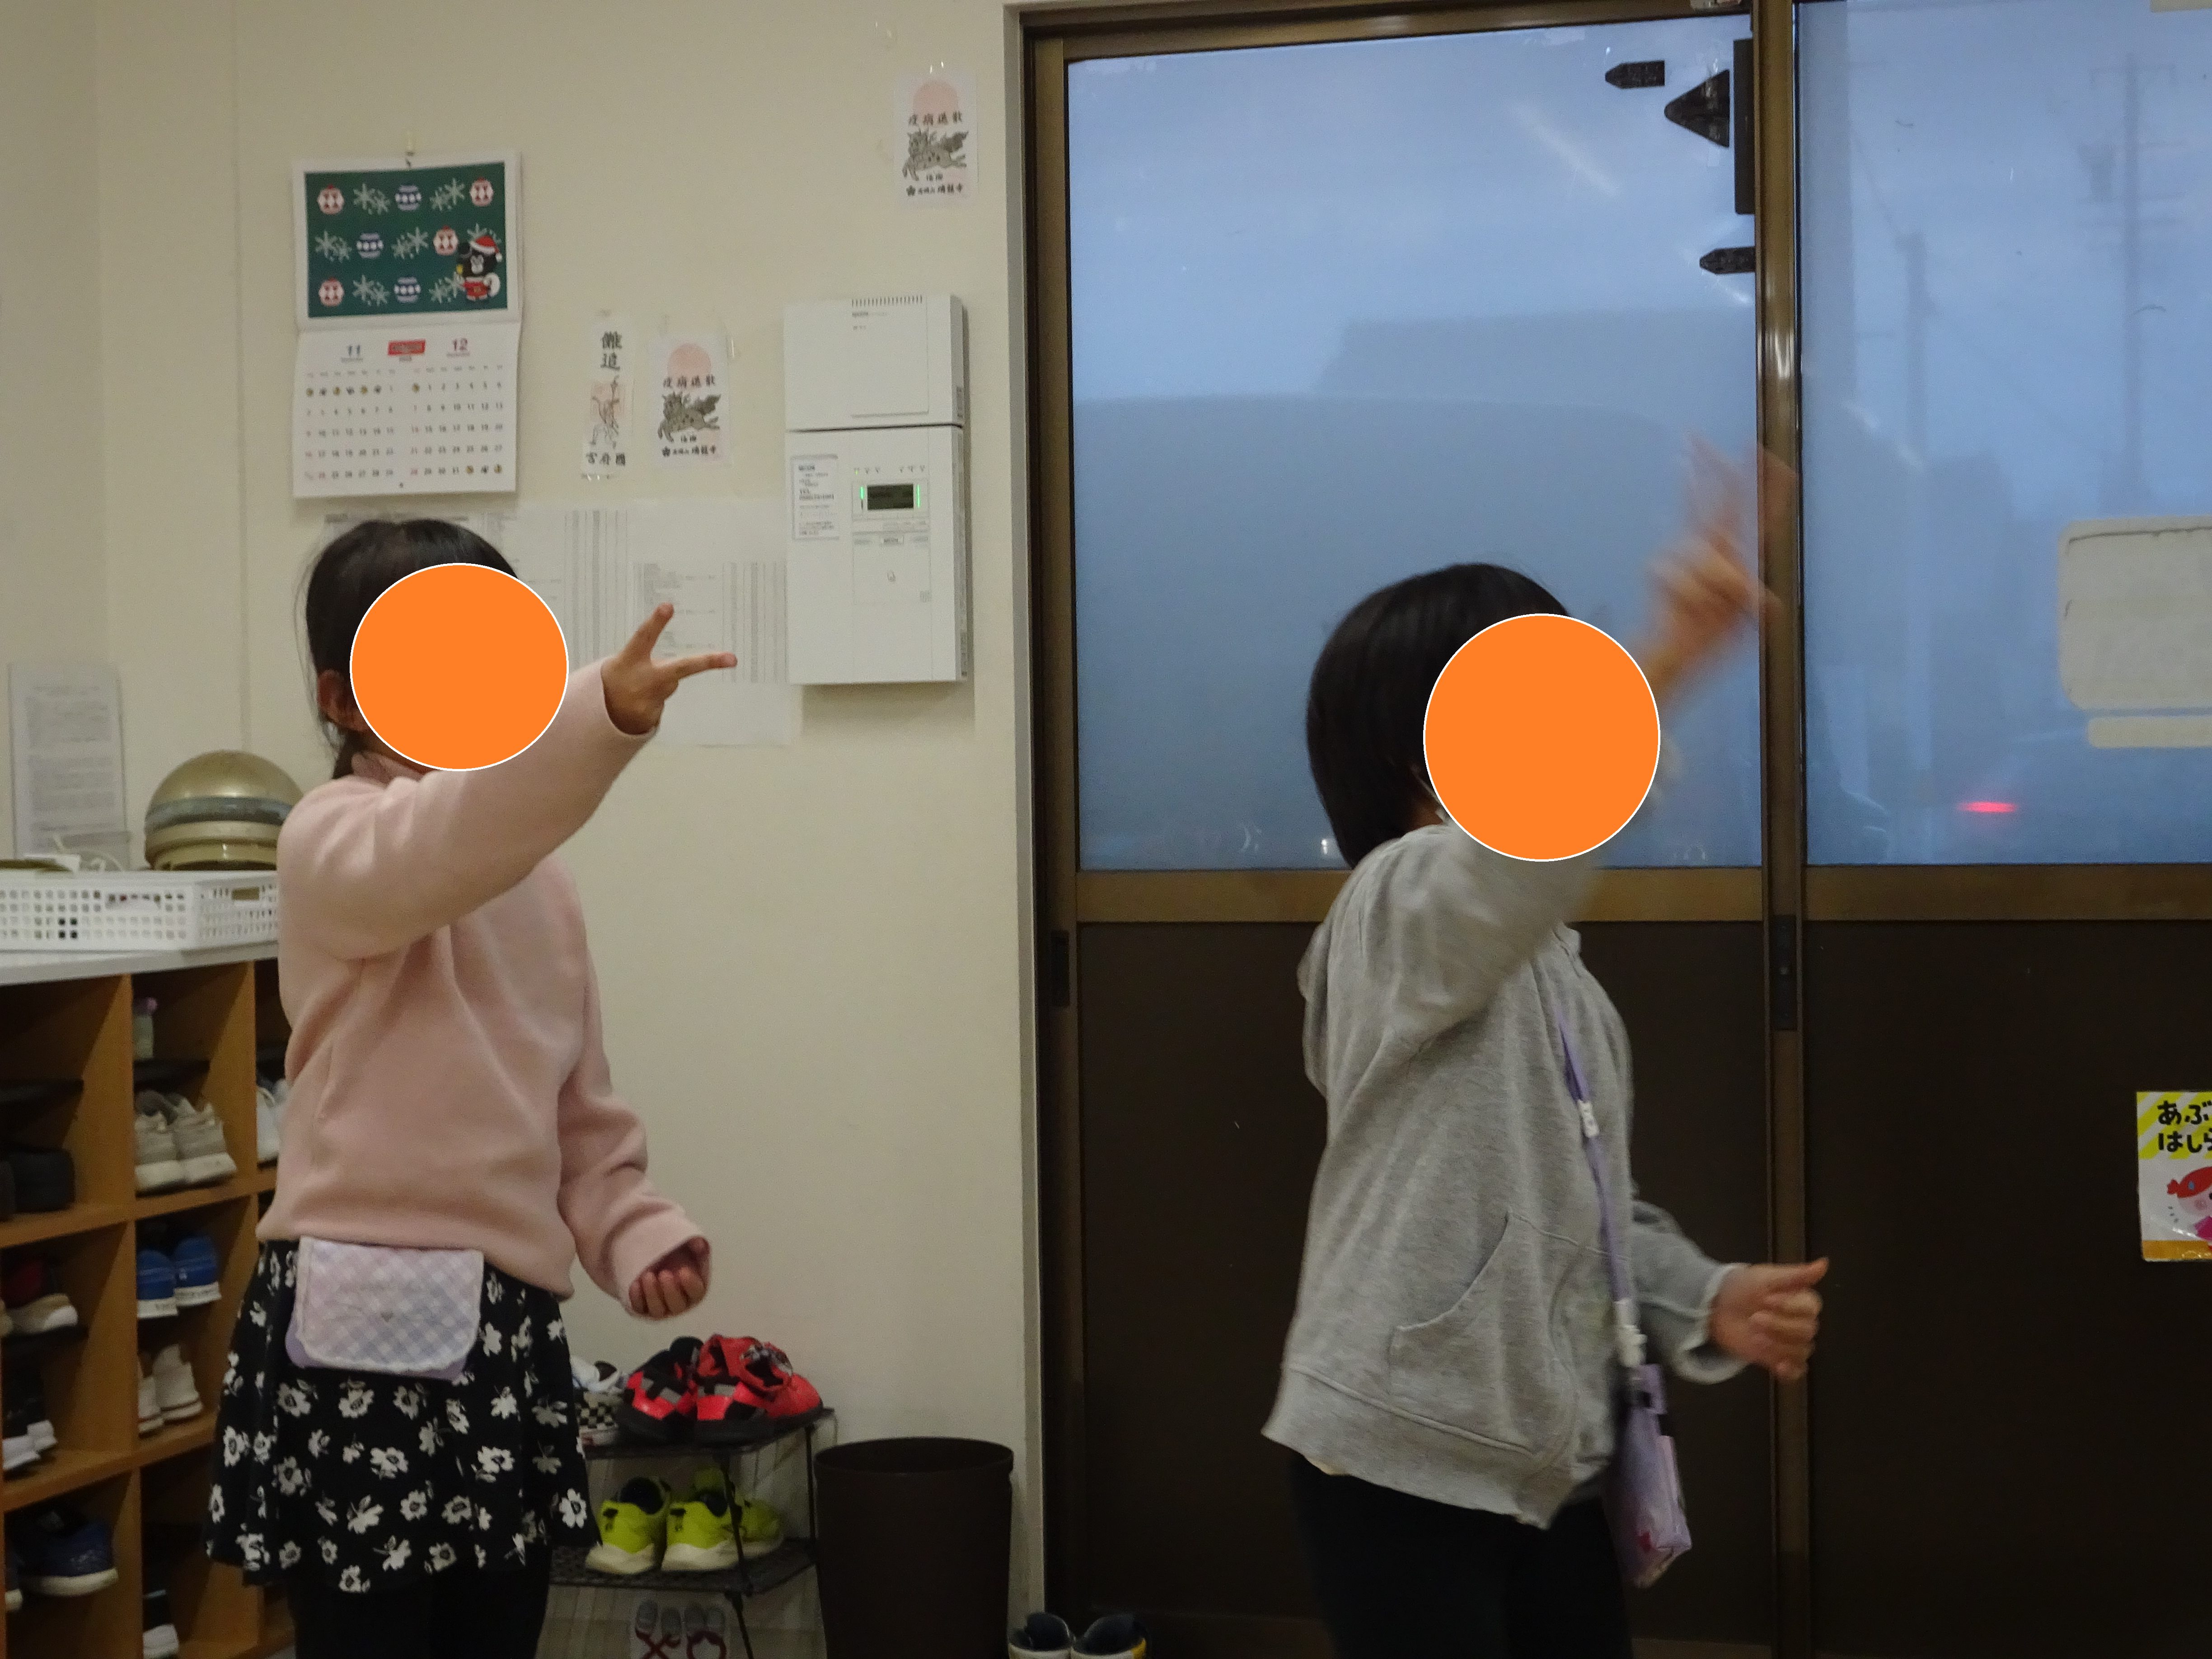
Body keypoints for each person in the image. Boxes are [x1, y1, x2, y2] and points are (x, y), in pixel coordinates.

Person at [1266, 450, 1828, 1658]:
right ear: (1422, 748)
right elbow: (1502, 866)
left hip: (1547, 1462)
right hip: (1398, 1453)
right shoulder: (1396, 908)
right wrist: (1662, 662)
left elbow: (1591, 1211)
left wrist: (1707, 1295)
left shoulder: (1556, 972)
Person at [208, 519, 723, 1659]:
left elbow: (577, 1108)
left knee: (499, 1629)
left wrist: (631, 1227)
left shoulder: (540, 881)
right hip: (354, 1329)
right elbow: (443, 840)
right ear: (342, 699)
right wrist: (598, 720)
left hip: (502, 1330)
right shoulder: (331, 838)